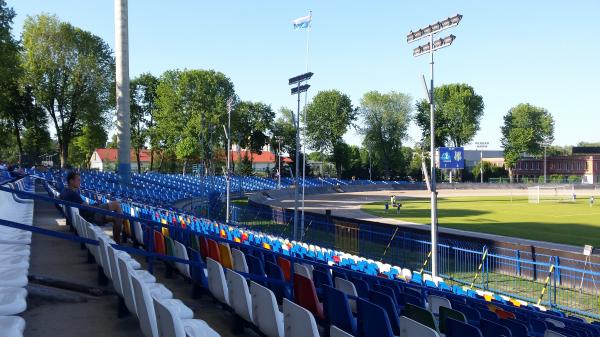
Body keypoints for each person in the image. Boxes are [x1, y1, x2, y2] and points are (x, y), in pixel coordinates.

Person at [60, 171, 124, 244]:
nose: (80, 182)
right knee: (116, 205)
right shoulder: (72, 193)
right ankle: (118, 242)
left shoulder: (65, 191)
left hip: (86, 216)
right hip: (91, 215)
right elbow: (87, 207)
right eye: (78, 180)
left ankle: (117, 242)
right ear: (71, 181)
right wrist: (97, 206)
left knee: (117, 218)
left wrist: (95, 205)